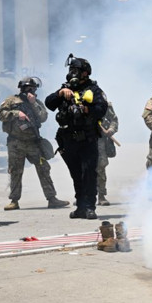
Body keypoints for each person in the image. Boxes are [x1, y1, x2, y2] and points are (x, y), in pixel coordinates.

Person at [45, 55, 107, 220]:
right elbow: (49, 103)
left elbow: (102, 108)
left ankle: (90, 207)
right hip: (69, 141)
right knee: (76, 175)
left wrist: (86, 110)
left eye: (76, 70)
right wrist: (60, 93)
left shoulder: (93, 90)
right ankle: (80, 207)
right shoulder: (65, 89)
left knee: (89, 174)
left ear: (85, 73)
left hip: (87, 139)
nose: (72, 73)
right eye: (70, 70)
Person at [0, 77, 69, 211]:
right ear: (22, 89)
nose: (30, 91)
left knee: (44, 169)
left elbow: (43, 117)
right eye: (27, 88)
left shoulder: (37, 102)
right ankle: (14, 200)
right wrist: (16, 113)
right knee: (15, 171)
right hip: (16, 142)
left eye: (32, 88)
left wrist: (33, 103)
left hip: (33, 142)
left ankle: (52, 198)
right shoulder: (11, 100)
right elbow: (1, 114)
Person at [96, 101, 119, 206]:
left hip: (100, 140)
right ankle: (83, 196)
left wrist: (111, 130)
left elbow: (113, 120)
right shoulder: (78, 99)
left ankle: (101, 195)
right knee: (83, 168)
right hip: (84, 139)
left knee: (101, 166)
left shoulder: (103, 102)